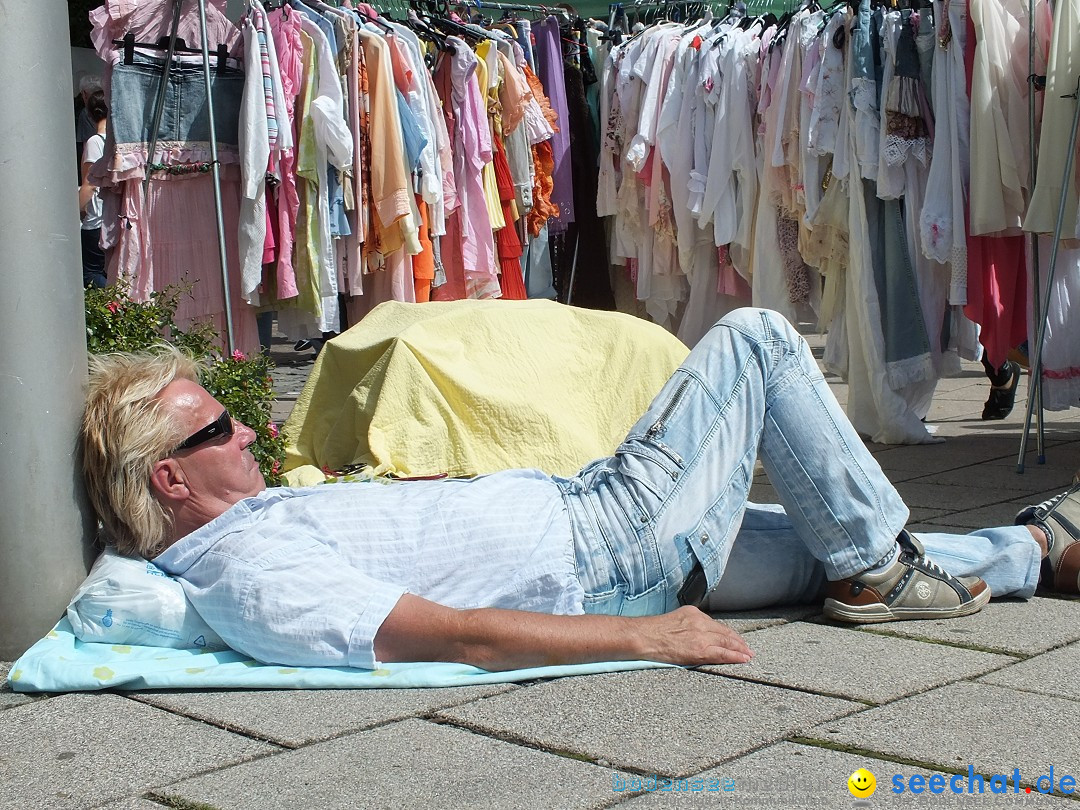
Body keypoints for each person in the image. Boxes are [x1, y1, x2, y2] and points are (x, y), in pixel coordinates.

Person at [81, 308, 1077, 672]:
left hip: (596, 530)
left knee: (827, 531)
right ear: (169, 478)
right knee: (760, 339)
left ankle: (1030, 548)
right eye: (220, 427)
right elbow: (452, 633)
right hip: (606, 548)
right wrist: (646, 635)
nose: (250, 427)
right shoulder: (249, 575)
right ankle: (880, 573)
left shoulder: (254, 523)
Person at [78, 89, 109, 289]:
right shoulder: (119, 143)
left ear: (90, 114)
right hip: (114, 215)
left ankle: (115, 308)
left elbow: (89, 184)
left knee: (90, 272)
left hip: (96, 218)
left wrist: (78, 210)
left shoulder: (95, 142)